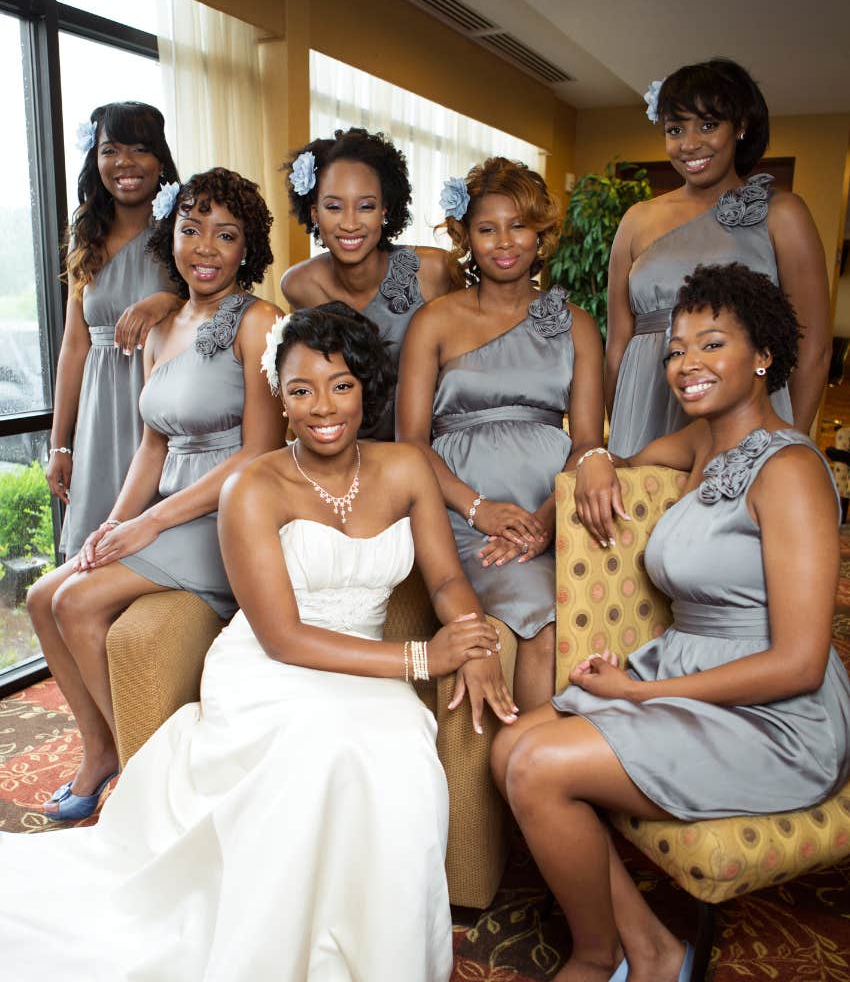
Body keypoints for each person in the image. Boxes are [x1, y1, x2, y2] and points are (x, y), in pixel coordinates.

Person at [1, 304, 517, 982]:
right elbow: (283, 637)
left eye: (340, 385)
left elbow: (448, 577)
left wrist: (470, 635)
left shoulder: (406, 468)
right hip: (272, 669)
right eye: (300, 390)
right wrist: (425, 657)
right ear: (279, 396)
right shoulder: (253, 484)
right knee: (321, 755)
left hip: (365, 666)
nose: (321, 407)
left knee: (401, 764)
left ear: (366, 387)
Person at [491, 263, 850, 982]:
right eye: (678, 349)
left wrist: (639, 695)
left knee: (536, 767)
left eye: (711, 345)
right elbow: (623, 467)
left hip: (776, 716)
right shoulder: (701, 444)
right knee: (510, 747)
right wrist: (592, 457)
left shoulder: (791, 473)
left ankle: (603, 957)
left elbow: (801, 662)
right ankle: (652, 949)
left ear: (763, 355)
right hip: (684, 670)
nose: (687, 364)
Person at [26, 167, 285, 821]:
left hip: (229, 521)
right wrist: (111, 523)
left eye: (225, 236)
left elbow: (261, 454)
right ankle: (100, 747)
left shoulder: (260, 323)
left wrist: (147, 526)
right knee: (40, 596)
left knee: (79, 602)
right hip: (169, 517)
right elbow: (153, 445)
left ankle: (142, 779)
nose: (204, 248)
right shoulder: (159, 327)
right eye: (192, 229)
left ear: (246, 249)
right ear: (171, 235)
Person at [397, 158, 607, 712]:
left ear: (541, 232)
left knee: (583, 607)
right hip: (458, 513)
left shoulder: (578, 325)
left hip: (552, 515)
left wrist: (543, 521)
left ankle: (553, 772)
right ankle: (535, 773)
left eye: (518, 225)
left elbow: (587, 441)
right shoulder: (434, 321)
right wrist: (478, 510)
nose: (504, 242)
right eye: (487, 229)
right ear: (467, 237)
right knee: (545, 612)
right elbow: (411, 442)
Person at [606, 58, 830, 457]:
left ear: (740, 126)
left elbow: (813, 347)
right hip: (644, 410)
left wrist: (785, 445)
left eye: (707, 125)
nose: (689, 144)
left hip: (748, 422)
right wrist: (620, 429)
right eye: (675, 130)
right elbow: (617, 346)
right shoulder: (636, 220)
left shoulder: (783, 213)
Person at [49, 101, 179, 556]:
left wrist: (168, 301)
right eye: (111, 149)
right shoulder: (85, 233)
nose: (124, 162)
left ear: (159, 160)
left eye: (140, 149)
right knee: (91, 553)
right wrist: (59, 445)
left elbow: (222, 308)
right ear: (96, 159)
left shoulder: (183, 229)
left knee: (148, 548)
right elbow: (73, 346)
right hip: (100, 411)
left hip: (161, 408)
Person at [280, 126, 453, 438]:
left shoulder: (434, 271)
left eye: (366, 206)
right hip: (350, 448)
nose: (349, 223)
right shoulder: (299, 284)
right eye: (334, 206)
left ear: (385, 210)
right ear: (314, 213)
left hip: (432, 445)